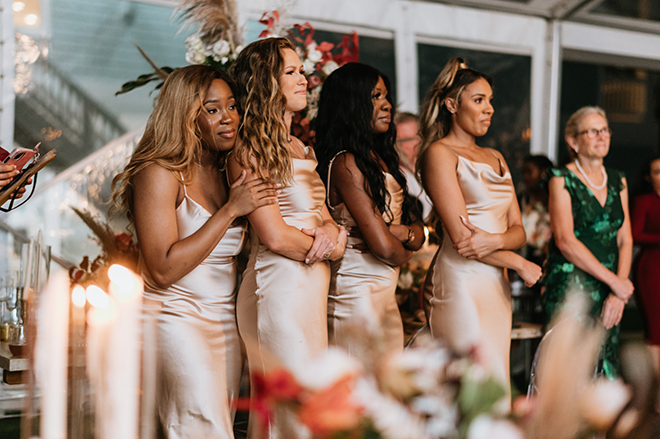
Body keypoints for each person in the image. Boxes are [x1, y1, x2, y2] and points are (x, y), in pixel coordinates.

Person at [111, 65, 277, 438]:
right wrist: (231, 210)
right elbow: (161, 270)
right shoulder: (159, 172)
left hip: (224, 322)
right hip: (175, 319)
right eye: (212, 109)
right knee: (200, 427)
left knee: (218, 423)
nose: (229, 118)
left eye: (232, 106)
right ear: (186, 115)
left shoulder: (224, 170)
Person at [228, 37, 347, 439]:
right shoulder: (248, 150)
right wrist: (327, 247)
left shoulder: (300, 147)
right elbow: (275, 236)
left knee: (310, 409)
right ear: (265, 84)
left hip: (309, 289)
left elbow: (327, 220)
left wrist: (331, 235)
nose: (305, 79)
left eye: (302, 70)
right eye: (292, 72)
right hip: (276, 290)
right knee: (289, 415)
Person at [417, 57, 542, 401]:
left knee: (495, 381)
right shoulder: (439, 154)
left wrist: (495, 241)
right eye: (478, 100)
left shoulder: (498, 157)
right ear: (451, 104)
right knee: (467, 386)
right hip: (460, 282)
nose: (489, 109)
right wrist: (518, 262)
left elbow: (520, 231)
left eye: (490, 101)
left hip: (495, 285)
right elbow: (462, 242)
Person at [314, 63, 425, 355]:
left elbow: (418, 227)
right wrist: (404, 249)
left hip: (384, 294)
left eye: (386, 95)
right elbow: (384, 249)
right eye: (376, 96)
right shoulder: (346, 163)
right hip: (355, 297)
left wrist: (401, 232)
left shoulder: (382, 159)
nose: (387, 104)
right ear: (352, 103)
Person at [544, 106, 634, 379]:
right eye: (593, 131)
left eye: (605, 130)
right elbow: (565, 241)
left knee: (605, 364)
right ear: (573, 141)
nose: (602, 136)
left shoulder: (619, 180)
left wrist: (618, 291)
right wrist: (615, 282)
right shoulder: (561, 179)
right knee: (571, 368)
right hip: (572, 287)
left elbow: (625, 239)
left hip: (610, 290)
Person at [631, 155, 660, 382]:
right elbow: (635, 234)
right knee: (655, 330)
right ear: (649, 177)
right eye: (657, 171)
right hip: (651, 269)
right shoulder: (644, 201)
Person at [394, 112, 433, 222]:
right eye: (396, 141)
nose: (399, 147)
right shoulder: (394, 177)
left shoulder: (433, 170)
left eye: (406, 140)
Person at [519, 154, 554, 268]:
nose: (525, 177)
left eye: (529, 172)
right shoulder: (520, 201)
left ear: (543, 173)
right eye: (524, 172)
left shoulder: (556, 201)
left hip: (549, 263)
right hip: (522, 263)